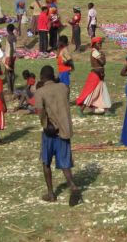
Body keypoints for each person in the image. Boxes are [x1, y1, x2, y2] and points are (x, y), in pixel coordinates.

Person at [36, 65, 81, 206]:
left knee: (46, 162)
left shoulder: (40, 92)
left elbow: (40, 111)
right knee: (64, 163)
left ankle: (51, 194)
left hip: (50, 131)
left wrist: (45, 124)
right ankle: (73, 186)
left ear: (42, 77)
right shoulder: (64, 87)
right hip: (64, 130)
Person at [75, 37, 111, 115]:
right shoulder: (94, 52)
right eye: (99, 43)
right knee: (91, 93)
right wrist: (103, 56)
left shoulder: (97, 52)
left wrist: (103, 56)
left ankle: (107, 110)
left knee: (103, 92)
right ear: (94, 44)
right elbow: (102, 62)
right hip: (96, 75)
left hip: (100, 75)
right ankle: (81, 110)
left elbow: (103, 62)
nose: (100, 45)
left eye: (101, 43)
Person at [3, 24, 18, 94]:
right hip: (14, 55)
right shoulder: (14, 37)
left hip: (10, 56)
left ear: (8, 30)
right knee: (12, 72)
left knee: (7, 72)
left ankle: (10, 89)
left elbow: (11, 48)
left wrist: (10, 59)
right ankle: (12, 89)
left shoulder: (9, 37)